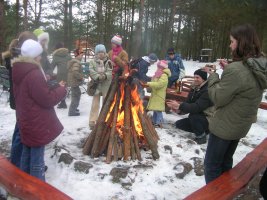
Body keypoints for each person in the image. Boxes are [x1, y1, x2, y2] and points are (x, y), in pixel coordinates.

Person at [202, 24, 267, 184]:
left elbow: (217, 97)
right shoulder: (259, 65)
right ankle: (224, 190)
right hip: (241, 125)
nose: (230, 45)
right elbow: (242, 83)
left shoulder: (237, 70)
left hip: (225, 127)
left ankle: (216, 194)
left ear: (241, 42)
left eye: (232, 41)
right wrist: (230, 69)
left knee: (211, 165)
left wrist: (213, 76)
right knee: (225, 161)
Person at [12, 39, 67, 181]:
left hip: (25, 118)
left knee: (27, 151)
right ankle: (37, 186)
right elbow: (47, 99)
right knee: (37, 157)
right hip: (36, 121)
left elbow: (32, 93)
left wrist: (47, 84)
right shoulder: (34, 73)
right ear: (34, 56)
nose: (41, 57)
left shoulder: (20, 69)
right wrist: (61, 90)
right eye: (39, 55)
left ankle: (24, 182)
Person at [1, 31, 37, 168]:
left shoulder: (16, 56)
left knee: (20, 129)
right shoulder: (19, 58)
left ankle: (18, 160)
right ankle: (17, 162)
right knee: (20, 131)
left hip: (18, 99)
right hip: (21, 100)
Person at [166, 69, 213, 144]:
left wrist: (179, 105)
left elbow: (196, 107)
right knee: (179, 124)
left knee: (194, 116)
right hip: (198, 118)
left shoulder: (207, 91)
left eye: (197, 77)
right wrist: (179, 110)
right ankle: (203, 130)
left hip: (209, 119)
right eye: (194, 77)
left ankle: (201, 136)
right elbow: (188, 103)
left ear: (203, 78)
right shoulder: (194, 88)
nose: (195, 79)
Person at [88, 44, 113, 129]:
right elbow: (91, 70)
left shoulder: (109, 62)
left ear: (105, 52)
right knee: (95, 103)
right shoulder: (92, 62)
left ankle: (105, 118)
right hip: (97, 84)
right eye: (99, 52)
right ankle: (92, 120)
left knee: (106, 102)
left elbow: (110, 71)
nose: (101, 54)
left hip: (106, 85)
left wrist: (105, 76)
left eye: (102, 52)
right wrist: (97, 76)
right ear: (96, 53)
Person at [141, 60, 171, 128]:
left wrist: (148, 84)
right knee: (155, 109)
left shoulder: (164, 75)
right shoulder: (158, 74)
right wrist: (148, 85)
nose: (158, 68)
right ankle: (154, 121)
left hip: (159, 95)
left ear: (162, 67)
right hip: (155, 94)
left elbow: (159, 84)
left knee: (158, 110)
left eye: (159, 67)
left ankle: (159, 122)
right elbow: (153, 81)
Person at [51, 42, 72, 109]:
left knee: (61, 87)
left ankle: (63, 102)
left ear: (56, 48)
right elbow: (72, 63)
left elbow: (52, 66)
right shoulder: (68, 55)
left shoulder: (55, 56)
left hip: (61, 74)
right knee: (65, 87)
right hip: (69, 73)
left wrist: (50, 73)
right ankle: (63, 102)